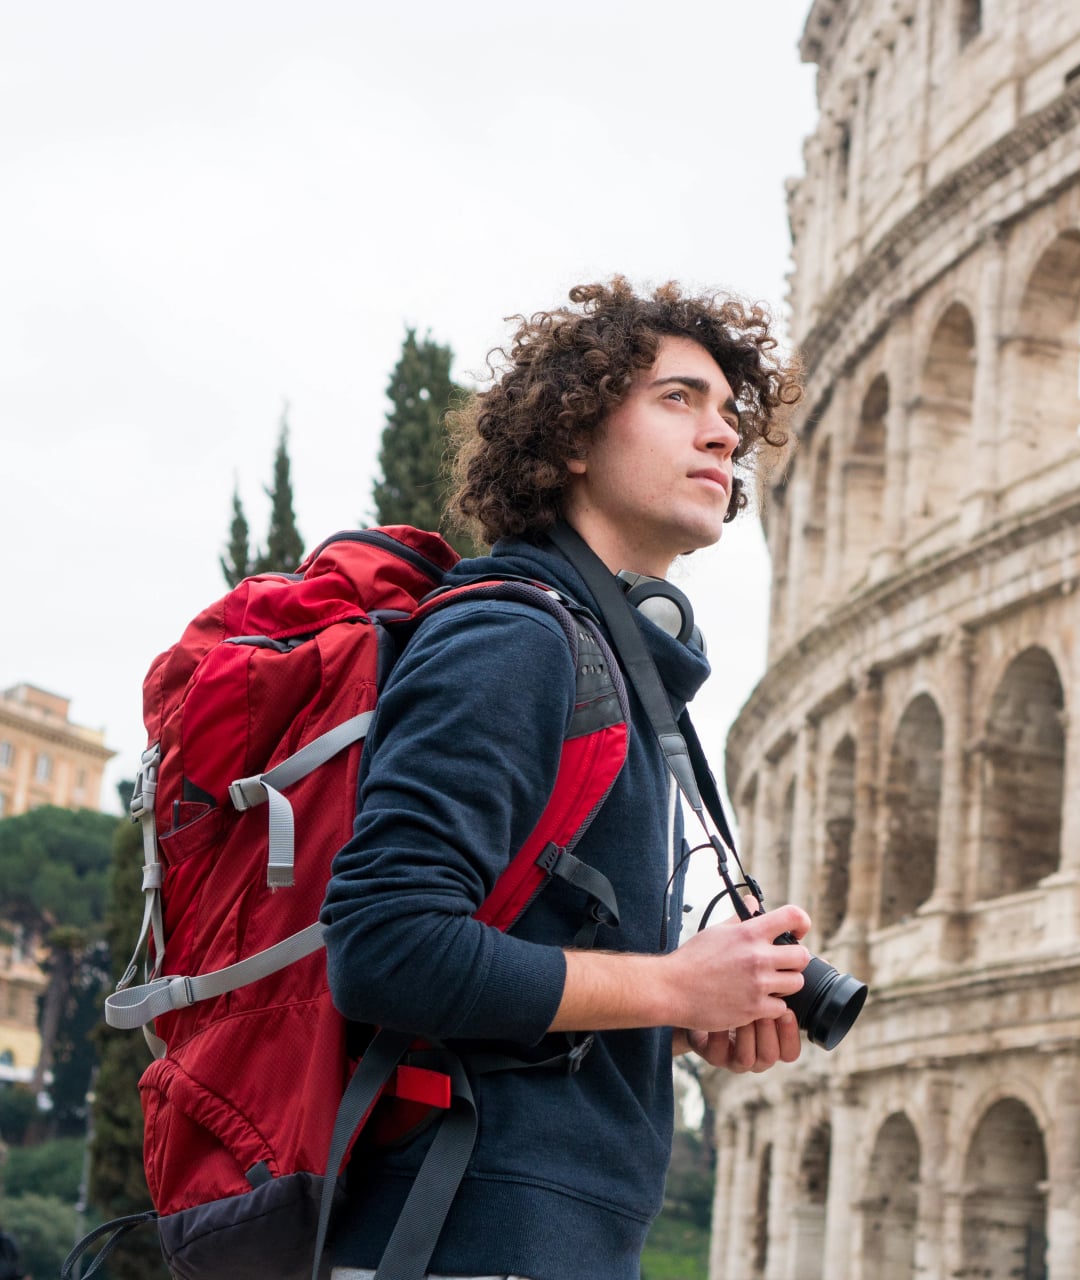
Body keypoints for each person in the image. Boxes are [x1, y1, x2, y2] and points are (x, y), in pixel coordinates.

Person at [320, 277, 810, 1280]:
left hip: (540, 1230)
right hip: (464, 1233)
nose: (722, 435)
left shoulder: (605, 658)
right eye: (678, 399)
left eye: (728, 412)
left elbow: (519, 986)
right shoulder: (511, 635)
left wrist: (679, 1010)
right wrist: (674, 980)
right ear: (573, 435)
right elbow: (384, 944)